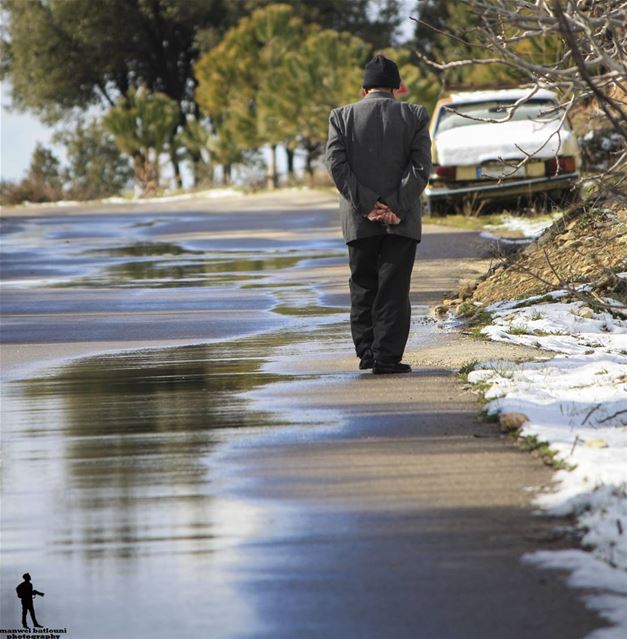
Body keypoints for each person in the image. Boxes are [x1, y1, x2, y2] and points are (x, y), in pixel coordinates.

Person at [325, 55, 432, 374]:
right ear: (398, 87)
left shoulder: (340, 117)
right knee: (394, 288)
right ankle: (387, 358)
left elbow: (336, 166)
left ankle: (368, 354)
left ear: (363, 90)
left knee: (363, 286)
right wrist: (395, 206)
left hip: (359, 220)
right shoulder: (414, 115)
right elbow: (421, 167)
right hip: (402, 221)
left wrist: (368, 205)